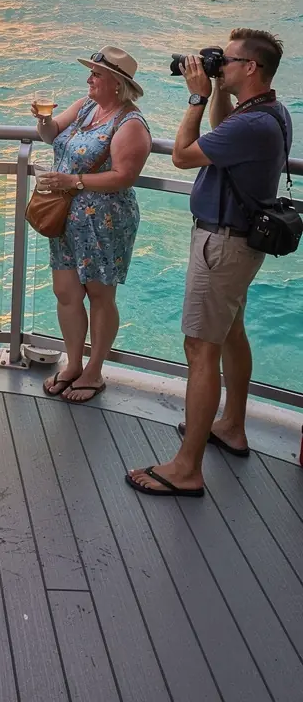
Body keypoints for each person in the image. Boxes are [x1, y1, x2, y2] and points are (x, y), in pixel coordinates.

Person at [127, 28, 291, 498]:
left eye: (228, 60)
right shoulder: (270, 112)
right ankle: (232, 426)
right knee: (231, 334)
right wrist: (218, 87)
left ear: (252, 67)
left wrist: (197, 98)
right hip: (240, 244)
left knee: (200, 349)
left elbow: (182, 156)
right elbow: (223, 134)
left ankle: (187, 469)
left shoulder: (251, 124)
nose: (220, 64)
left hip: (221, 246)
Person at [33, 46, 151, 403]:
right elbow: (52, 134)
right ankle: (73, 364)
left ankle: (94, 371)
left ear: (117, 83)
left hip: (105, 221)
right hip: (65, 215)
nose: (89, 79)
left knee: (101, 296)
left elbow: (124, 176)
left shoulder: (130, 124)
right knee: (66, 293)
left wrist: (74, 181)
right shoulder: (86, 106)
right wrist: (43, 121)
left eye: (96, 74)